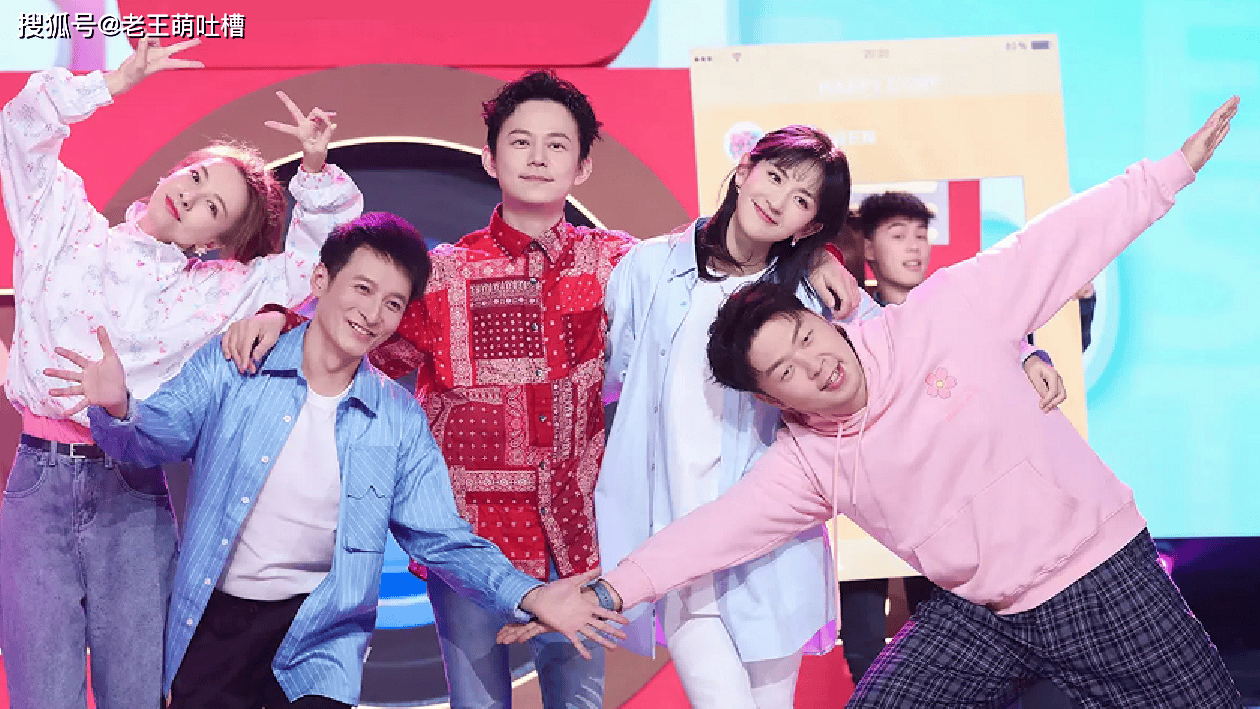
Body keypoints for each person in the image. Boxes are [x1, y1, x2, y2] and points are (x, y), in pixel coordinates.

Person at [540, 97, 1243, 708]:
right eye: (785, 371)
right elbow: (709, 533)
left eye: (806, 338)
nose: (814, 365)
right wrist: (606, 592)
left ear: (825, 317)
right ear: (769, 398)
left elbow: (1056, 243)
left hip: (1097, 573)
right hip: (984, 611)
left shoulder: (944, 313)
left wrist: (1168, 174)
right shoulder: (807, 461)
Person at [223, 70, 857, 709]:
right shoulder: (441, 276)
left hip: (579, 535)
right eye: (520, 142)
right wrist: (283, 316)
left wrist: (813, 255)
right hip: (469, 545)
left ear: (582, 168)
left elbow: (715, 261)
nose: (537, 157)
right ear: (489, 158)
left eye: (557, 145)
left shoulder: (621, 263)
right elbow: (357, 340)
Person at [46, 212, 627, 708]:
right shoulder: (237, 364)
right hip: (215, 620)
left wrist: (529, 594)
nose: (373, 314)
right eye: (362, 289)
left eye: (392, 303)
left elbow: (443, 537)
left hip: (320, 632)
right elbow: (153, 439)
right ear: (321, 279)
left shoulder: (398, 419)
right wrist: (119, 406)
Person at [0, 38, 362, 709]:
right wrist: (110, 83)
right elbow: (21, 130)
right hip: (37, 482)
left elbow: (315, 265)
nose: (190, 196)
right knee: (40, 696)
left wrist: (314, 170)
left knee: (137, 695)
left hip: (131, 491)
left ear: (212, 242)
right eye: (194, 177)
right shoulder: (68, 227)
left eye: (211, 207)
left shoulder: (213, 292)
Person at [597, 125, 868, 709]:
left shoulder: (810, 295)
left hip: (772, 544)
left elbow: (893, 345)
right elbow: (609, 380)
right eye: (775, 176)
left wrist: (1025, 354)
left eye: (801, 199)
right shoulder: (648, 268)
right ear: (744, 169)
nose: (778, 200)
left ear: (810, 226)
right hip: (676, 539)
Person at [838, 191, 1068, 687]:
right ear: (869, 248)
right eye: (898, 235)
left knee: (949, 634)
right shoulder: (848, 321)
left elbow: (1001, 340)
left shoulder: (948, 302)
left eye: (921, 235)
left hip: (944, 501)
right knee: (863, 643)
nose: (914, 246)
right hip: (867, 500)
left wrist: (1031, 356)